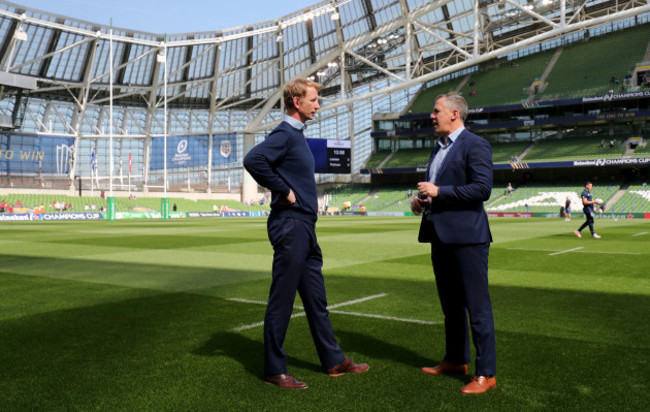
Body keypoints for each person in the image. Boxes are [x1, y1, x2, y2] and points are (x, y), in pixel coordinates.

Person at [243, 78, 368, 390]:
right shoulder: (284, 134)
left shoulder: (298, 136)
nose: (318, 105)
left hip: (305, 227)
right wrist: (283, 189)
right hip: (291, 225)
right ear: (296, 102)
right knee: (282, 300)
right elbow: (252, 159)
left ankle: (334, 360)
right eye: (314, 100)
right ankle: (274, 368)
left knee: (316, 299)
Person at [411, 93, 496, 394]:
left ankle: (486, 373)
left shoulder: (475, 144)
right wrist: (422, 200)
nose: (431, 116)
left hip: (468, 238)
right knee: (450, 305)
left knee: (477, 305)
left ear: (455, 114)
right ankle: (456, 360)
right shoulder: (439, 147)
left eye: (436, 111)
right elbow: (436, 189)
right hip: (439, 235)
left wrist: (439, 191)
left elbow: (482, 189)